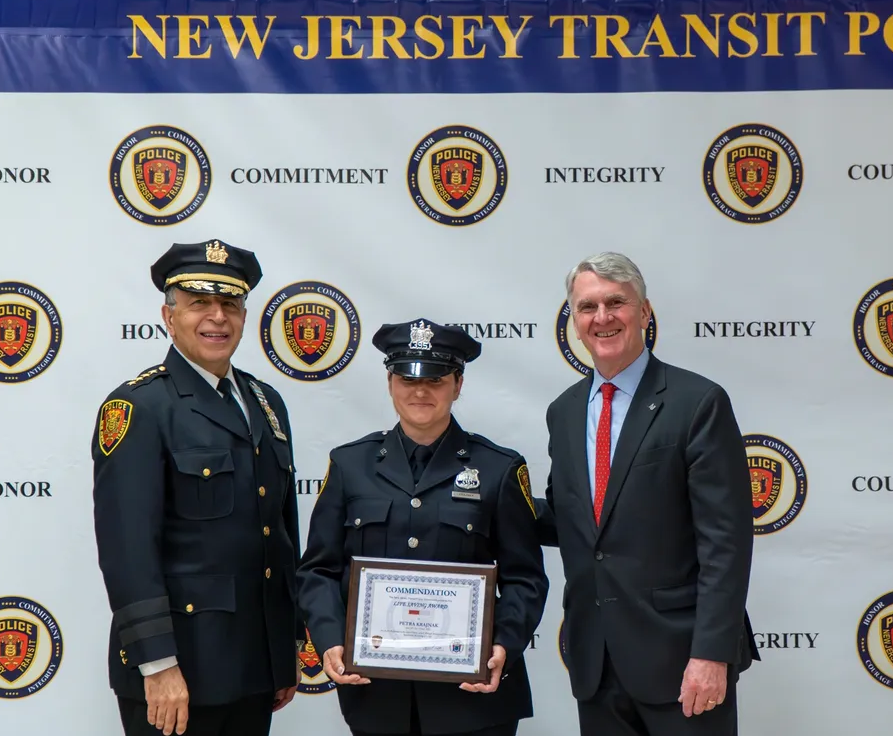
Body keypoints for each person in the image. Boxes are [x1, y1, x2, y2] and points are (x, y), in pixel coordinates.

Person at [535, 252, 759, 736]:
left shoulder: (697, 403)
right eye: (587, 306)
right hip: (596, 662)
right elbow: (574, 520)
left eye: (616, 302)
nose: (603, 317)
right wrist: (487, 500)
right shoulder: (563, 412)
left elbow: (726, 543)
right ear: (574, 322)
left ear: (644, 311)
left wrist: (711, 654)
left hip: (682, 662)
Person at [90, 239, 303, 736]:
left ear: (244, 315)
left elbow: (280, 534)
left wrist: (284, 646)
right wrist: (157, 664)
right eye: (199, 303)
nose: (217, 317)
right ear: (169, 316)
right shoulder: (140, 407)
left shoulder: (265, 402)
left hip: (253, 666)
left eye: (230, 303)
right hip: (179, 672)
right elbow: (127, 550)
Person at [296, 319, 548, 736]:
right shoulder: (350, 465)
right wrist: (329, 639)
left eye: (435, 379)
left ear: (458, 384)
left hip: (473, 702)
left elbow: (525, 578)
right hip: (378, 697)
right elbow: (318, 570)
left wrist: (502, 643)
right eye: (407, 379)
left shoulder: (499, 468)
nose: (420, 391)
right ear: (390, 383)